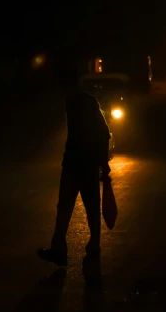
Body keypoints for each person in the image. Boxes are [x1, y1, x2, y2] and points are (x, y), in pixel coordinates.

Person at [38, 64, 111, 267]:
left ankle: (61, 248)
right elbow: (104, 133)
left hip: (76, 164)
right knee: (89, 208)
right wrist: (103, 163)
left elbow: (100, 133)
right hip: (84, 164)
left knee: (66, 208)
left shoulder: (76, 102)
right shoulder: (84, 101)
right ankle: (89, 246)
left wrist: (102, 164)